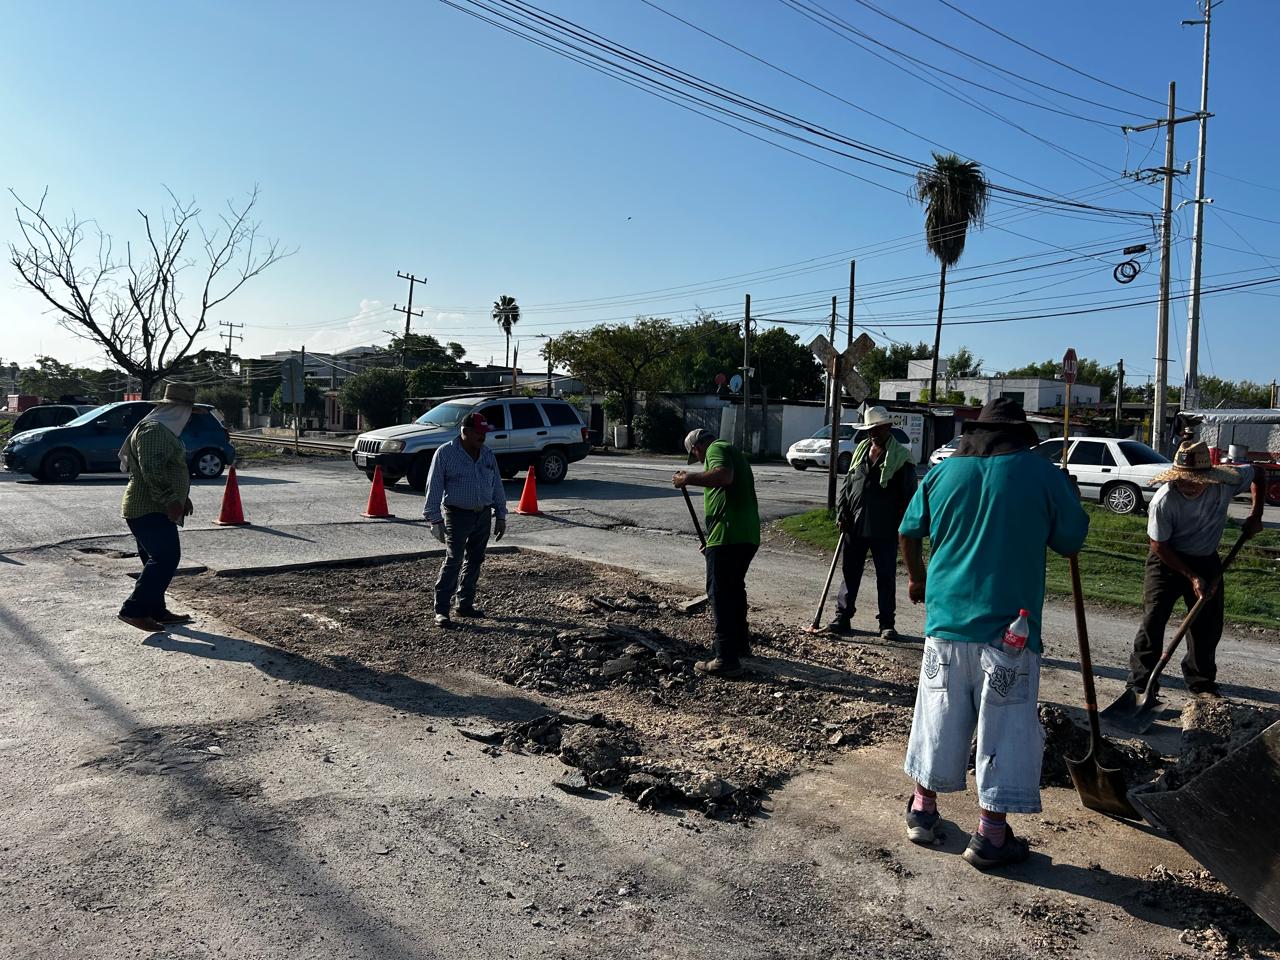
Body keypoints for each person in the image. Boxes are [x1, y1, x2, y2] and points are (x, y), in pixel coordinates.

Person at [897, 398, 1088, 869]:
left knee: (937, 715)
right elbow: (1071, 540)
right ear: (1021, 435)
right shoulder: (1042, 475)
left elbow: (908, 529)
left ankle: (923, 811)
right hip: (1011, 631)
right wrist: (1065, 495)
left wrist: (917, 577)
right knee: (1004, 727)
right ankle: (991, 836)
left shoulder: (944, 474)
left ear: (974, 432)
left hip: (945, 625)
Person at [1124, 440, 1264, 700]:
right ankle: (1141, 684)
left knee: (1207, 624)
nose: (1186, 484)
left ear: (1208, 477)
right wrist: (1191, 576)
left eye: (1192, 479)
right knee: (1153, 619)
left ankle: (1201, 683)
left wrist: (1256, 514)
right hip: (1166, 561)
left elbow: (1258, 473)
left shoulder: (1226, 483)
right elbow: (1158, 545)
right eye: (1181, 479)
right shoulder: (1164, 500)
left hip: (1205, 558)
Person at [673, 428, 760, 678]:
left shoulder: (716, 448)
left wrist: (688, 478)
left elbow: (723, 476)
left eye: (696, 455)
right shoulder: (731, 451)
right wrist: (712, 542)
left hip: (730, 533)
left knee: (719, 592)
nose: (700, 460)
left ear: (697, 447)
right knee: (734, 589)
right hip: (743, 534)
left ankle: (725, 657)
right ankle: (740, 645)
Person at [827, 406, 917, 640]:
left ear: (888, 428)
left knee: (885, 575)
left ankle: (887, 623)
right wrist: (842, 512)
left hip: (885, 527)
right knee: (850, 571)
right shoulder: (860, 452)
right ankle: (843, 616)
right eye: (870, 429)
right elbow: (848, 485)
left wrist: (903, 526)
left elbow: (909, 497)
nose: (873, 433)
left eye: (877, 428)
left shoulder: (901, 459)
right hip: (854, 524)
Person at [117, 382, 198, 632]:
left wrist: (182, 497)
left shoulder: (164, 430)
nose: (189, 418)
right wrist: (171, 499)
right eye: (188, 412)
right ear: (178, 410)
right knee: (165, 558)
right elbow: (152, 470)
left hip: (154, 507)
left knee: (155, 560)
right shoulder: (153, 430)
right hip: (147, 508)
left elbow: (168, 469)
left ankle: (155, 610)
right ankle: (133, 610)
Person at [422, 412, 507, 627]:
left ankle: (465, 604)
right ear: (465, 432)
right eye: (479, 432)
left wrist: (501, 515)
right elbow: (434, 488)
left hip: (483, 514)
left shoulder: (487, 454)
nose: (483, 437)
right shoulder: (446, 453)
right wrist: (435, 520)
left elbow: (497, 485)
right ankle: (441, 610)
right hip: (457, 514)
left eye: (484, 433)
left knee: (475, 560)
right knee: (454, 560)